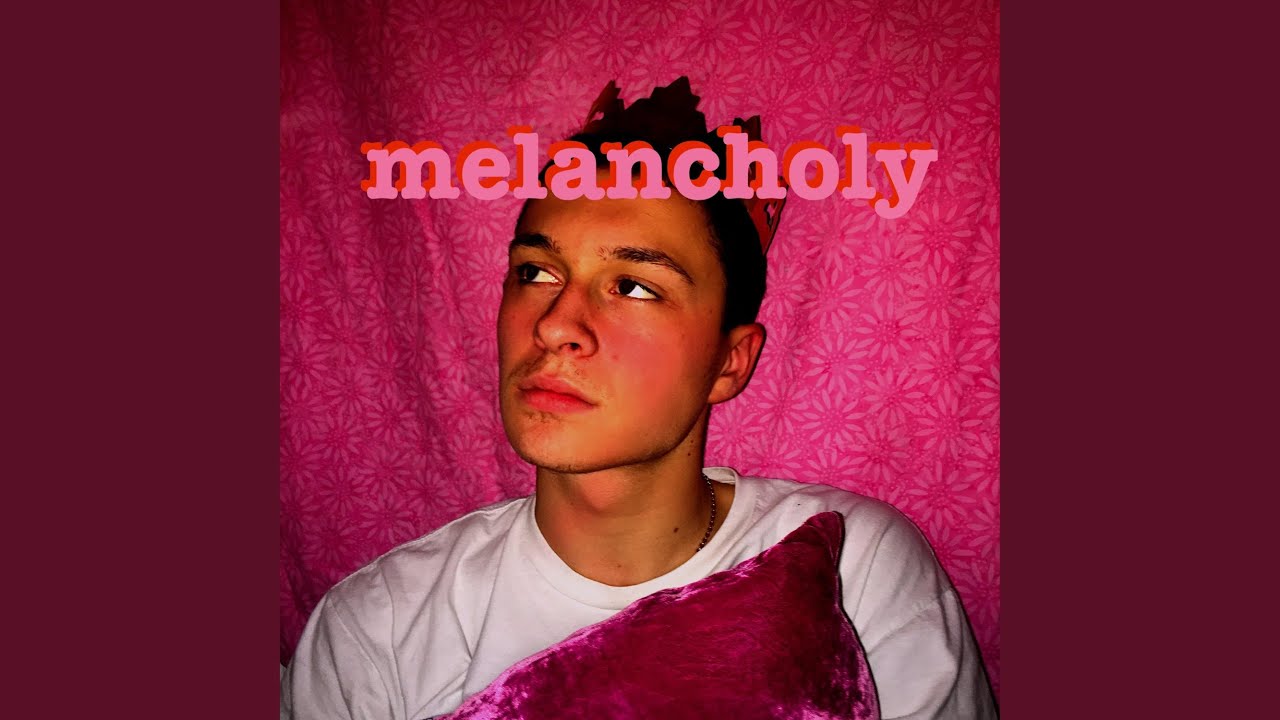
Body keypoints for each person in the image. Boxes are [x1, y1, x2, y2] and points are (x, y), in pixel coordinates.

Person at [281, 78, 997, 719]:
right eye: (535, 272)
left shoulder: (850, 569)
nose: (555, 325)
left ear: (729, 362)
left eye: (633, 286)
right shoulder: (376, 631)